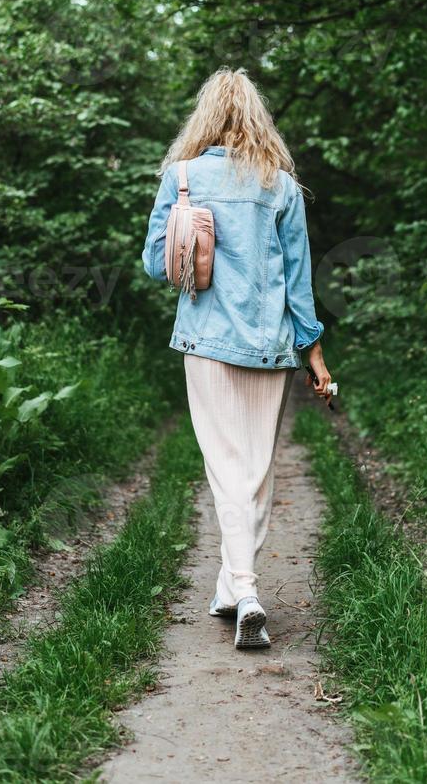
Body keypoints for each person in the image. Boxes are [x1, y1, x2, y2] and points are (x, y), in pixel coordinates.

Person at [142, 67, 332, 649]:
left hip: (205, 342)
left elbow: (155, 265)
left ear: (205, 119)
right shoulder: (279, 185)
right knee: (253, 468)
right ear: (257, 119)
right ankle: (232, 589)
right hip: (269, 346)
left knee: (226, 467)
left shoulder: (182, 178)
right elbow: (299, 282)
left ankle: (245, 589)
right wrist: (314, 357)